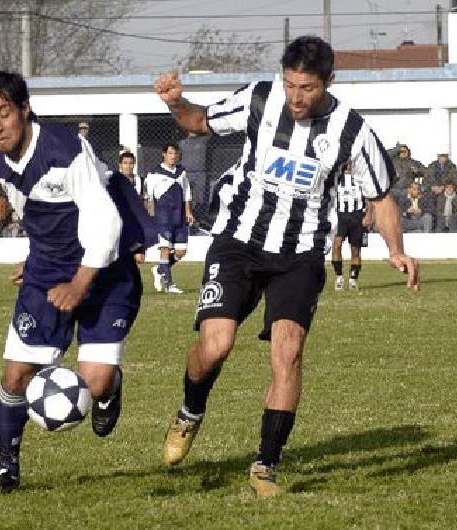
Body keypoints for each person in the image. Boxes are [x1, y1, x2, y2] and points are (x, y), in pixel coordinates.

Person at [153, 35, 420, 499]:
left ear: (329, 82)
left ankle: (265, 465)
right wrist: (177, 103)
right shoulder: (259, 98)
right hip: (238, 240)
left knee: (289, 350)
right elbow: (197, 122)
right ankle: (190, 412)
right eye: (291, 84)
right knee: (215, 346)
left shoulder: (352, 130)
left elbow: (379, 197)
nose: (296, 97)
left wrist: (396, 249)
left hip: (300, 253)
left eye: (308, 88)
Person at [0, 70, 157, 494]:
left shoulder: (65, 150)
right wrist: (35, 258)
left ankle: (111, 386)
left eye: (4, 113)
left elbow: (106, 219)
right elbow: (36, 212)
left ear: (25, 109)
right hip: (48, 272)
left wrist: (80, 283)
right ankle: (5, 466)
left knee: (95, 381)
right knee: (16, 374)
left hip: (106, 271)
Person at [146, 142, 194, 294]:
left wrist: (188, 211)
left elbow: (187, 193)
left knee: (181, 252)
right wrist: (150, 217)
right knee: (165, 249)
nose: (173, 156)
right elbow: (149, 197)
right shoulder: (154, 173)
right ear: (164, 154)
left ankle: (159, 269)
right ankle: (169, 284)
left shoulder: (182, 172)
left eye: (175, 154)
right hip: (163, 216)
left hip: (179, 215)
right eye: (170, 153)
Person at [332, 161, 367, 290]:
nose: (349, 165)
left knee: (355, 250)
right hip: (341, 216)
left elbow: (369, 198)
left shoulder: (360, 179)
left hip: (357, 216)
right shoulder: (336, 179)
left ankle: (353, 279)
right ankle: (339, 277)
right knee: (337, 245)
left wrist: (368, 215)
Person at [179, 132, 210, 229]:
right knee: (185, 197)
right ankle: (186, 218)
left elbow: (210, 131)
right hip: (186, 173)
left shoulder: (203, 140)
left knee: (201, 198)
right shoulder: (182, 143)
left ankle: (199, 220)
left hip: (200, 173)